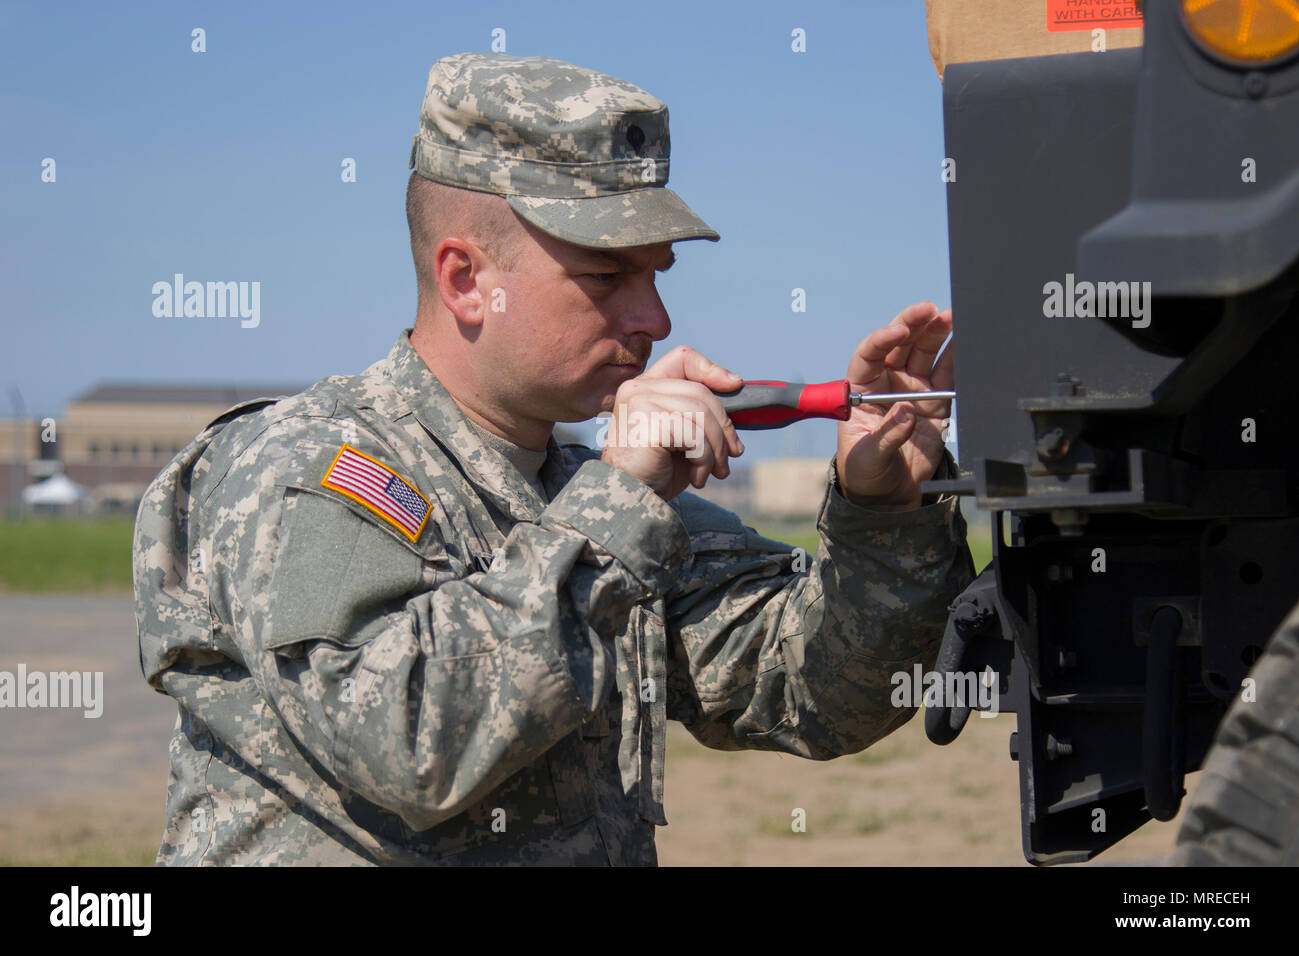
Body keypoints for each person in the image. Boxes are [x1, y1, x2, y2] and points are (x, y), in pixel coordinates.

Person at [133, 51, 974, 865]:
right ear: (465, 278)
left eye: (657, 275)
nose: (655, 319)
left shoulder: (599, 500)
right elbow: (409, 741)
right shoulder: (305, 466)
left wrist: (882, 513)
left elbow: (815, 692)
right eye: (607, 279)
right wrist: (616, 514)